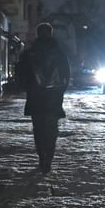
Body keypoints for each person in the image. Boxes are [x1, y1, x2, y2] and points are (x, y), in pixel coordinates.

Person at [15, 22, 70, 174]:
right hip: (53, 97)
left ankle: (41, 157)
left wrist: (28, 88)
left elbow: (20, 74)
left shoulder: (29, 53)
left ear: (38, 34)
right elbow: (66, 74)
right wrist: (60, 91)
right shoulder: (59, 53)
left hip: (35, 97)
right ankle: (49, 159)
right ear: (51, 34)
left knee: (38, 128)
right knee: (52, 129)